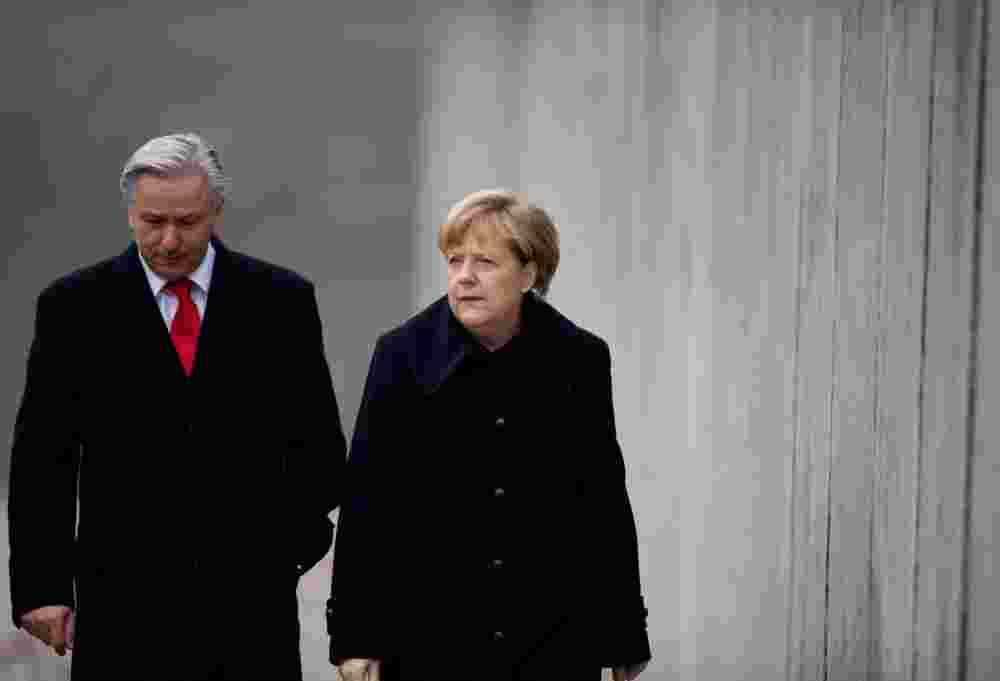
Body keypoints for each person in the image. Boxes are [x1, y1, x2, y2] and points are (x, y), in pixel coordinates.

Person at [8, 132, 346, 680]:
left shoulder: (280, 304)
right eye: (151, 221)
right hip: (121, 610)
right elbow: (43, 458)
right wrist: (42, 587)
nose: (167, 240)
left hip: (249, 615)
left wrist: (279, 556)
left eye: (187, 222)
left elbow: (319, 450)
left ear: (216, 210)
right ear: (130, 213)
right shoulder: (74, 308)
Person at [327, 190, 651, 681]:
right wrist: (355, 638)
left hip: (549, 638)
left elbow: (601, 500)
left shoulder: (579, 360)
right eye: (455, 261)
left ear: (529, 274)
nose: (464, 278)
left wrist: (623, 633)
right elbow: (369, 504)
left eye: (485, 262)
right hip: (429, 638)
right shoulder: (402, 355)